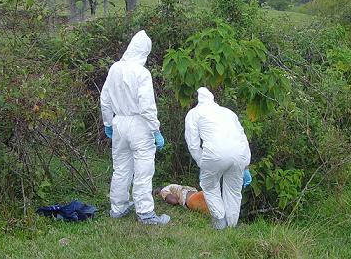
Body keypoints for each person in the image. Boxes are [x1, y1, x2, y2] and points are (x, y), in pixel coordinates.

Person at [100, 30, 170, 225]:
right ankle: (145, 213)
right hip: (139, 125)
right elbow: (147, 106)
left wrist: (108, 123)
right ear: (144, 52)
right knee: (143, 170)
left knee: (121, 168)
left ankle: (118, 207)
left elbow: (105, 99)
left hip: (119, 122)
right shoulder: (142, 73)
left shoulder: (115, 68)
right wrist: (155, 129)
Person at [184, 87, 252, 230]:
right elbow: (242, 136)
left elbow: (193, 143)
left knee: (209, 186)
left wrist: (201, 162)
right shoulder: (228, 112)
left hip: (215, 154)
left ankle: (220, 222)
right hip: (239, 153)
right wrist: (245, 165)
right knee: (234, 190)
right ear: (212, 99)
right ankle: (232, 226)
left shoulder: (194, 113)